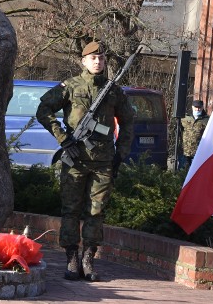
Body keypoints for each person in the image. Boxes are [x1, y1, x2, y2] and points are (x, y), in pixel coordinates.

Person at [36, 41, 134, 282]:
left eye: (101, 58)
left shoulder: (113, 91)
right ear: (83, 61)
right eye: (93, 58)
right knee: (71, 210)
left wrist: (121, 152)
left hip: (103, 161)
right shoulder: (70, 86)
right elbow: (43, 110)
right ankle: (72, 258)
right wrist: (63, 138)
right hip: (76, 159)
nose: (98, 62)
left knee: (96, 211)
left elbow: (129, 120)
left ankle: (89, 258)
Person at [180, 100, 210, 169]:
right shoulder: (185, 118)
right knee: (183, 171)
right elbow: (179, 130)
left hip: (198, 151)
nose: (197, 109)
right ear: (192, 107)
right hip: (185, 150)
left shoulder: (207, 120)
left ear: (202, 108)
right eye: (196, 107)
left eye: (199, 107)